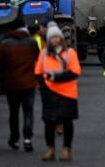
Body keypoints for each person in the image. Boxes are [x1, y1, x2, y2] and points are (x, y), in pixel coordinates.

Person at [35, 23, 81, 161]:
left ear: (61, 38)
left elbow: (75, 72)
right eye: (52, 38)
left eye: (57, 37)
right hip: (50, 93)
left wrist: (55, 77)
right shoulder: (44, 54)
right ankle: (50, 149)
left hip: (67, 93)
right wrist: (44, 86)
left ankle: (67, 149)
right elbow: (38, 72)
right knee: (49, 123)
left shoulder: (70, 53)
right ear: (48, 40)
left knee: (67, 122)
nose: (55, 40)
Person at [0, 19, 39, 152]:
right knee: (28, 111)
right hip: (29, 83)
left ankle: (14, 138)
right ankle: (27, 138)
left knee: (13, 113)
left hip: (12, 84)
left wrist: (5, 75)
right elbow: (38, 58)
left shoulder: (5, 44)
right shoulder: (32, 43)